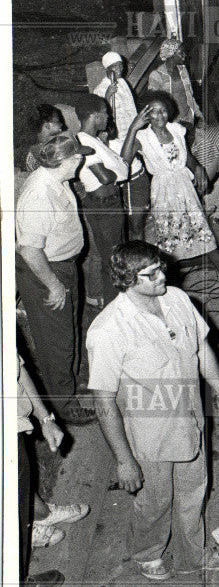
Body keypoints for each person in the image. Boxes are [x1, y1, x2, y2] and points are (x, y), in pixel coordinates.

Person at [88, 241, 219, 581]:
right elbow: (103, 402)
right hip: (150, 434)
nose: (162, 276)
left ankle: (193, 553)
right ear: (127, 281)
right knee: (155, 500)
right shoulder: (109, 330)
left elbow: (201, 347)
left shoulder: (178, 300)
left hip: (191, 418)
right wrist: (124, 460)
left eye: (161, 267)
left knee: (193, 490)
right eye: (151, 273)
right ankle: (147, 552)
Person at [120, 94, 219, 297]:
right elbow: (124, 161)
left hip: (184, 188)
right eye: (154, 111)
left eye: (163, 110)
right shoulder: (142, 137)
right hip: (164, 191)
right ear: (146, 114)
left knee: (205, 236)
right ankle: (166, 292)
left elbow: (188, 158)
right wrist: (132, 129)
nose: (160, 114)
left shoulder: (177, 130)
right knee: (168, 244)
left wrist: (198, 168)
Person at [15, 133, 95, 424]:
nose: (82, 160)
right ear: (68, 160)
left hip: (63, 265)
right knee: (55, 341)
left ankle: (70, 383)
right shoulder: (39, 193)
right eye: (79, 156)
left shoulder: (57, 182)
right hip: (46, 272)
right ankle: (65, 406)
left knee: (69, 328)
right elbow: (29, 249)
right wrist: (53, 285)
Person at [18, 353, 83, 587]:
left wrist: (45, 418)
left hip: (14, 423)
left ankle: (40, 515)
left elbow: (18, 369)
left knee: (20, 482)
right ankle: (16, 582)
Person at [74, 95, 129, 306]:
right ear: (94, 115)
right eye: (105, 113)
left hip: (109, 203)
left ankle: (115, 302)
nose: (108, 117)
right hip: (104, 206)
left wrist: (117, 169)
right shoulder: (84, 142)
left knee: (115, 257)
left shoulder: (94, 140)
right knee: (112, 260)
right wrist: (120, 170)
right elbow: (105, 177)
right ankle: (112, 305)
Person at [95, 51, 149, 238]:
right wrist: (107, 96)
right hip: (115, 141)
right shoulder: (100, 89)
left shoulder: (124, 83)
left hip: (131, 135)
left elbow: (132, 109)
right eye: (114, 67)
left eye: (120, 66)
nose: (118, 70)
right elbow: (101, 116)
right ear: (106, 70)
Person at [147, 38, 202, 127]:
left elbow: (190, 96)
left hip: (188, 119)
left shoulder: (183, 71)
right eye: (181, 53)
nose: (184, 55)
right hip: (170, 122)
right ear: (171, 54)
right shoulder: (157, 75)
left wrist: (198, 114)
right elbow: (154, 103)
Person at [23, 104, 67, 171]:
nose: (61, 125)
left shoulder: (34, 148)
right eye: (58, 122)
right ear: (47, 125)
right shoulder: (47, 150)